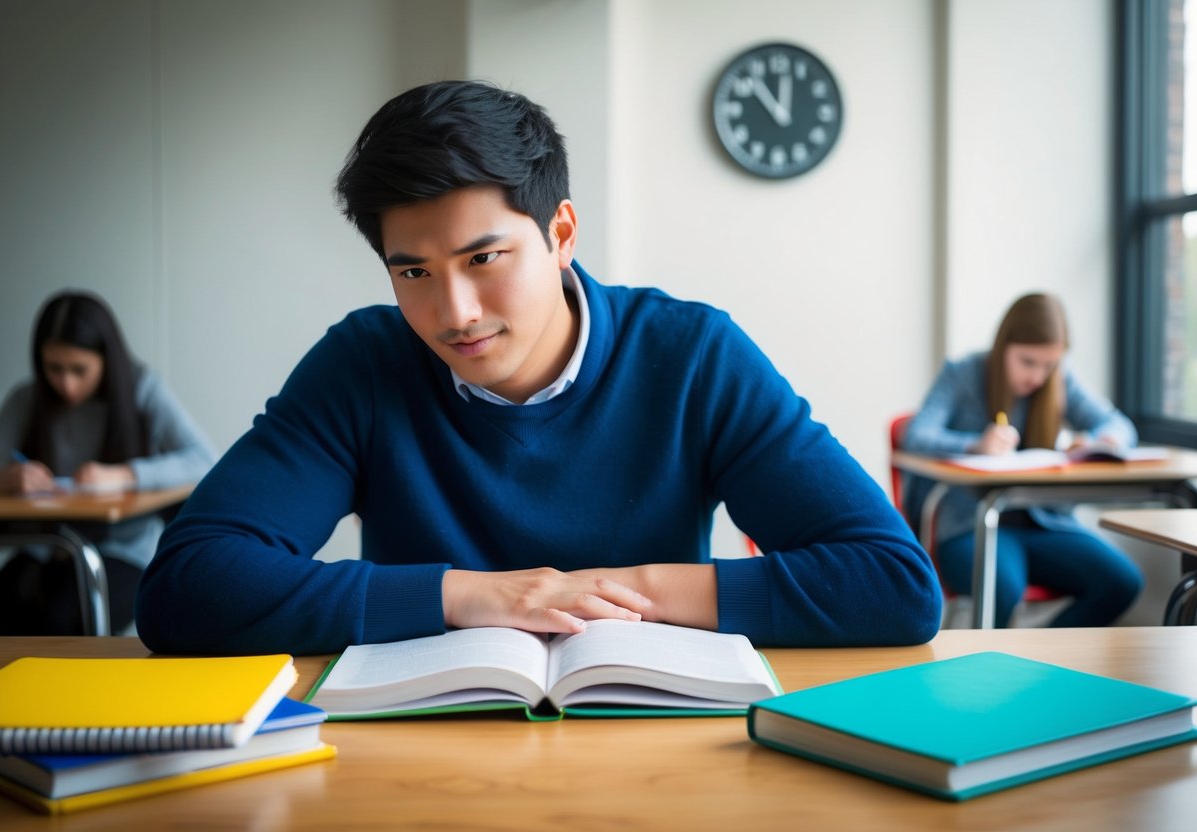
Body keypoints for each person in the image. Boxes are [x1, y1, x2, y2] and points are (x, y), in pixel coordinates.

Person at [136, 80, 942, 655]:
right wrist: (484, 597)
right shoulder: (363, 364)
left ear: (560, 233)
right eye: (411, 271)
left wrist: (617, 594)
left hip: (657, 745)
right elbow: (187, 590)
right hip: (413, 767)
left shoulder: (690, 353)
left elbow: (892, 583)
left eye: (484, 257)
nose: (452, 312)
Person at [900, 293, 1144, 628]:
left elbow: (1120, 426)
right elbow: (915, 434)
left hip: (1046, 524)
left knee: (1122, 583)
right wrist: (975, 445)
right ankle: (993, 676)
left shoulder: (1061, 381)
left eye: (1049, 365)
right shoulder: (963, 374)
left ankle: (1041, 667)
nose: (1038, 377)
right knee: (1001, 588)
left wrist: (1101, 440)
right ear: (1004, 347)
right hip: (970, 527)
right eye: (1028, 362)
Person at [0, 291, 217, 634]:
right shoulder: (26, 399)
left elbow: (204, 459)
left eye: (79, 370)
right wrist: (8, 479)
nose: (67, 384)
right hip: (44, 548)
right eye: (54, 369)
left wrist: (124, 475)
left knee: (64, 620)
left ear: (107, 359)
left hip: (120, 550)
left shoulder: (142, 389)